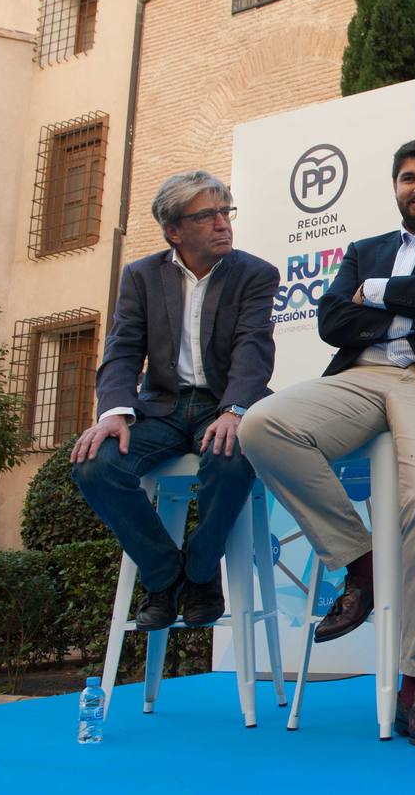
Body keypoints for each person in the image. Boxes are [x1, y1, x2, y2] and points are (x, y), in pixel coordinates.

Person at [239, 136, 415, 747]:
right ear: (395, 187)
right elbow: (332, 321)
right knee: (260, 425)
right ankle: (363, 565)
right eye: (408, 178)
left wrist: (378, 291)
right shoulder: (365, 248)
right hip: (363, 377)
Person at [71, 171, 277, 631]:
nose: (223, 223)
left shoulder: (255, 273)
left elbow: (253, 348)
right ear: (174, 230)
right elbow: (123, 350)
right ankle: (164, 575)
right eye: (207, 216)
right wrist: (115, 413)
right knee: (94, 465)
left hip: (222, 404)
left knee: (233, 450)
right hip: (161, 407)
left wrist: (234, 409)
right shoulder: (141, 276)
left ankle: (202, 570)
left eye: (226, 212)